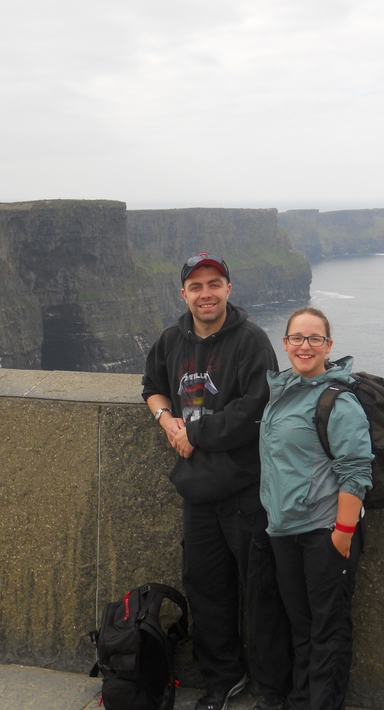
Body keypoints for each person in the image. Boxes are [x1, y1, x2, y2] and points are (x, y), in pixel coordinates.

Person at [142, 252, 292, 710]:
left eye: (215, 284)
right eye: (197, 286)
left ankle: (272, 689)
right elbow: (151, 386)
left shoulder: (250, 340)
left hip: (245, 491)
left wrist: (195, 433)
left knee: (261, 592)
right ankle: (223, 679)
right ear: (183, 293)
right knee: (205, 590)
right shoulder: (172, 339)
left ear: (229, 289)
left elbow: (254, 410)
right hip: (197, 492)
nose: (206, 293)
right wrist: (167, 421)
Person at [258, 307, 374, 710]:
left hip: (324, 531)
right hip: (285, 531)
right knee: (303, 628)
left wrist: (342, 534)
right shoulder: (285, 389)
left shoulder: (336, 400)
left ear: (328, 346)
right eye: (296, 338)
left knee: (328, 630)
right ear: (285, 343)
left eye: (314, 339)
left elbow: (356, 471)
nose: (304, 346)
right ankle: (301, 700)